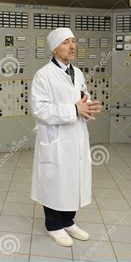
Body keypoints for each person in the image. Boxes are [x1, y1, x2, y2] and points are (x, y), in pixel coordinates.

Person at [30, 27, 102, 247]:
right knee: (55, 181)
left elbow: (81, 98)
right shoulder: (43, 75)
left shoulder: (77, 73)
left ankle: (68, 221)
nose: (72, 46)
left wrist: (86, 109)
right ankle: (53, 225)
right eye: (65, 42)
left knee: (73, 179)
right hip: (56, 139)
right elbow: (39, 110)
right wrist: (73, 110)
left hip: (77, 136)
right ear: (54, 48)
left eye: (73, 41)